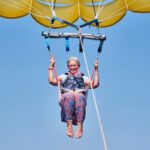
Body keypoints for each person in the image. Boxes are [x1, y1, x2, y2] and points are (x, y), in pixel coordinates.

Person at [48, 56, 99, 138]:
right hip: (66, 98)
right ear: (68, 67)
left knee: (78, 96)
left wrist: (96, 69)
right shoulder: (63, 76)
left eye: (74, 65)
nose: (72, 67)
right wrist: (51, 66)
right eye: (70, 66)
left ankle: (80, 125)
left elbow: (95, 84)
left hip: (80, 99)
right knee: (70, 95)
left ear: (78, 66)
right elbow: (51, 80)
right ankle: (69, 124)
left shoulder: (84, 77)